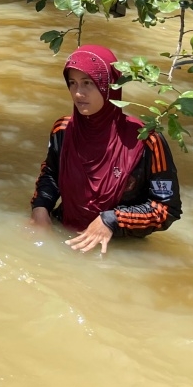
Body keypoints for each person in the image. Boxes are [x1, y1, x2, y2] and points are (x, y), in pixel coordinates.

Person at [31, 44, 182, 253]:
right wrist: (40, 209)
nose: (78, 93)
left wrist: (112, 220)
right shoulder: (63, 130)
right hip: (62, 236)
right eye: (72, 83)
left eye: (88, 83)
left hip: (118, 249)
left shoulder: (146, 140)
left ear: (109, 85)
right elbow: (51, 175)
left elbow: (166, 209)